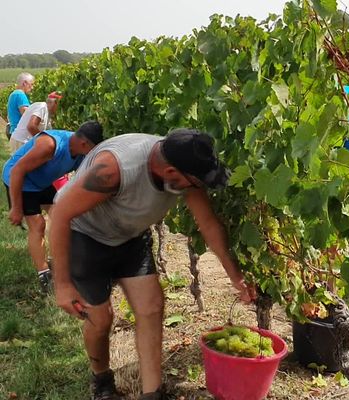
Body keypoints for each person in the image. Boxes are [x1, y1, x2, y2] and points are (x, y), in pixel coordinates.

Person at [49, 129, 257, 400]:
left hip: (131, 237)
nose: (199, 189)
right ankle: (101, 378)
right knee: (100, 320)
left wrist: (234, 276)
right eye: (196, 183)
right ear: (171, 173)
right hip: (86, 237)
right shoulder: (114, 169)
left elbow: (207, 224)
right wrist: (62, 284)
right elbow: (61, 213)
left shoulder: (182, 164)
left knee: (151, 307)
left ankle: (152, 393)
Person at [3, 121, 104, 293]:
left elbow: (85, 181)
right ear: (84, 144)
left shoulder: (81, 153)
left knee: (62, 216)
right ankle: (44, 275)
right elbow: (18, 170)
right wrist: (16, 207)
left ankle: (59, 259)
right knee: (38, 225)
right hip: (21, 181)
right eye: (93, 148)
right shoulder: (50, 145)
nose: (94, 153)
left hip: (42, 182)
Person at [6, 72, 35, 138]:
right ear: (25, 83)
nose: (32, 87)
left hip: (14, 132)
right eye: (31, 84)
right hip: (20, 134)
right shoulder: (20, 95)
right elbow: (26, 114)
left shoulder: (14, 93)